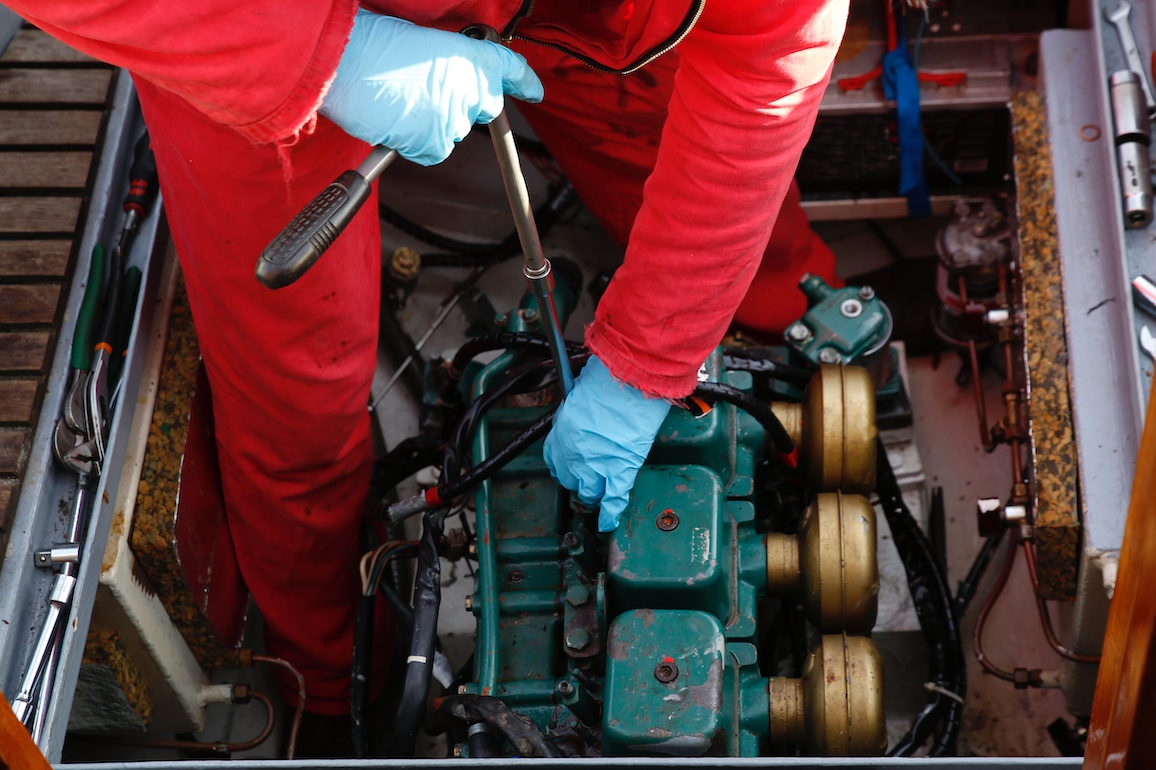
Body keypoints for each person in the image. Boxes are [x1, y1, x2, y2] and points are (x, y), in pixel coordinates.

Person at [7, 0, 847, 740]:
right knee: (295, 390)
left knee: (701, 178)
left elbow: (767, 62)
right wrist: (328, 57)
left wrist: (648, 366)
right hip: (269, 18)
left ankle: (814, 335)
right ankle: (336, 684)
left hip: (605, 21)